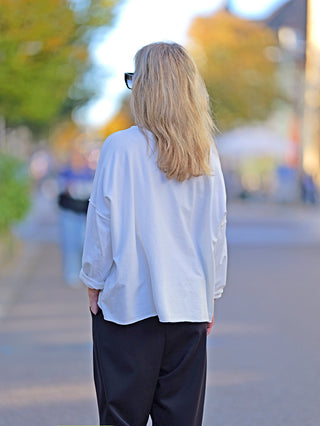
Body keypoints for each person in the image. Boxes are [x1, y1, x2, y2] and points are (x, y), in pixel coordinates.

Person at [79, 42, 227, 426]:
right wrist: (211, 294)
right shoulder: (205, 151)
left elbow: (102, 221)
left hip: (129, 306)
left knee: (121, 416)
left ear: (146, 87)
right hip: (188, 306)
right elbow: (215, 229)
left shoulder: (121, 147)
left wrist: (93, 280)